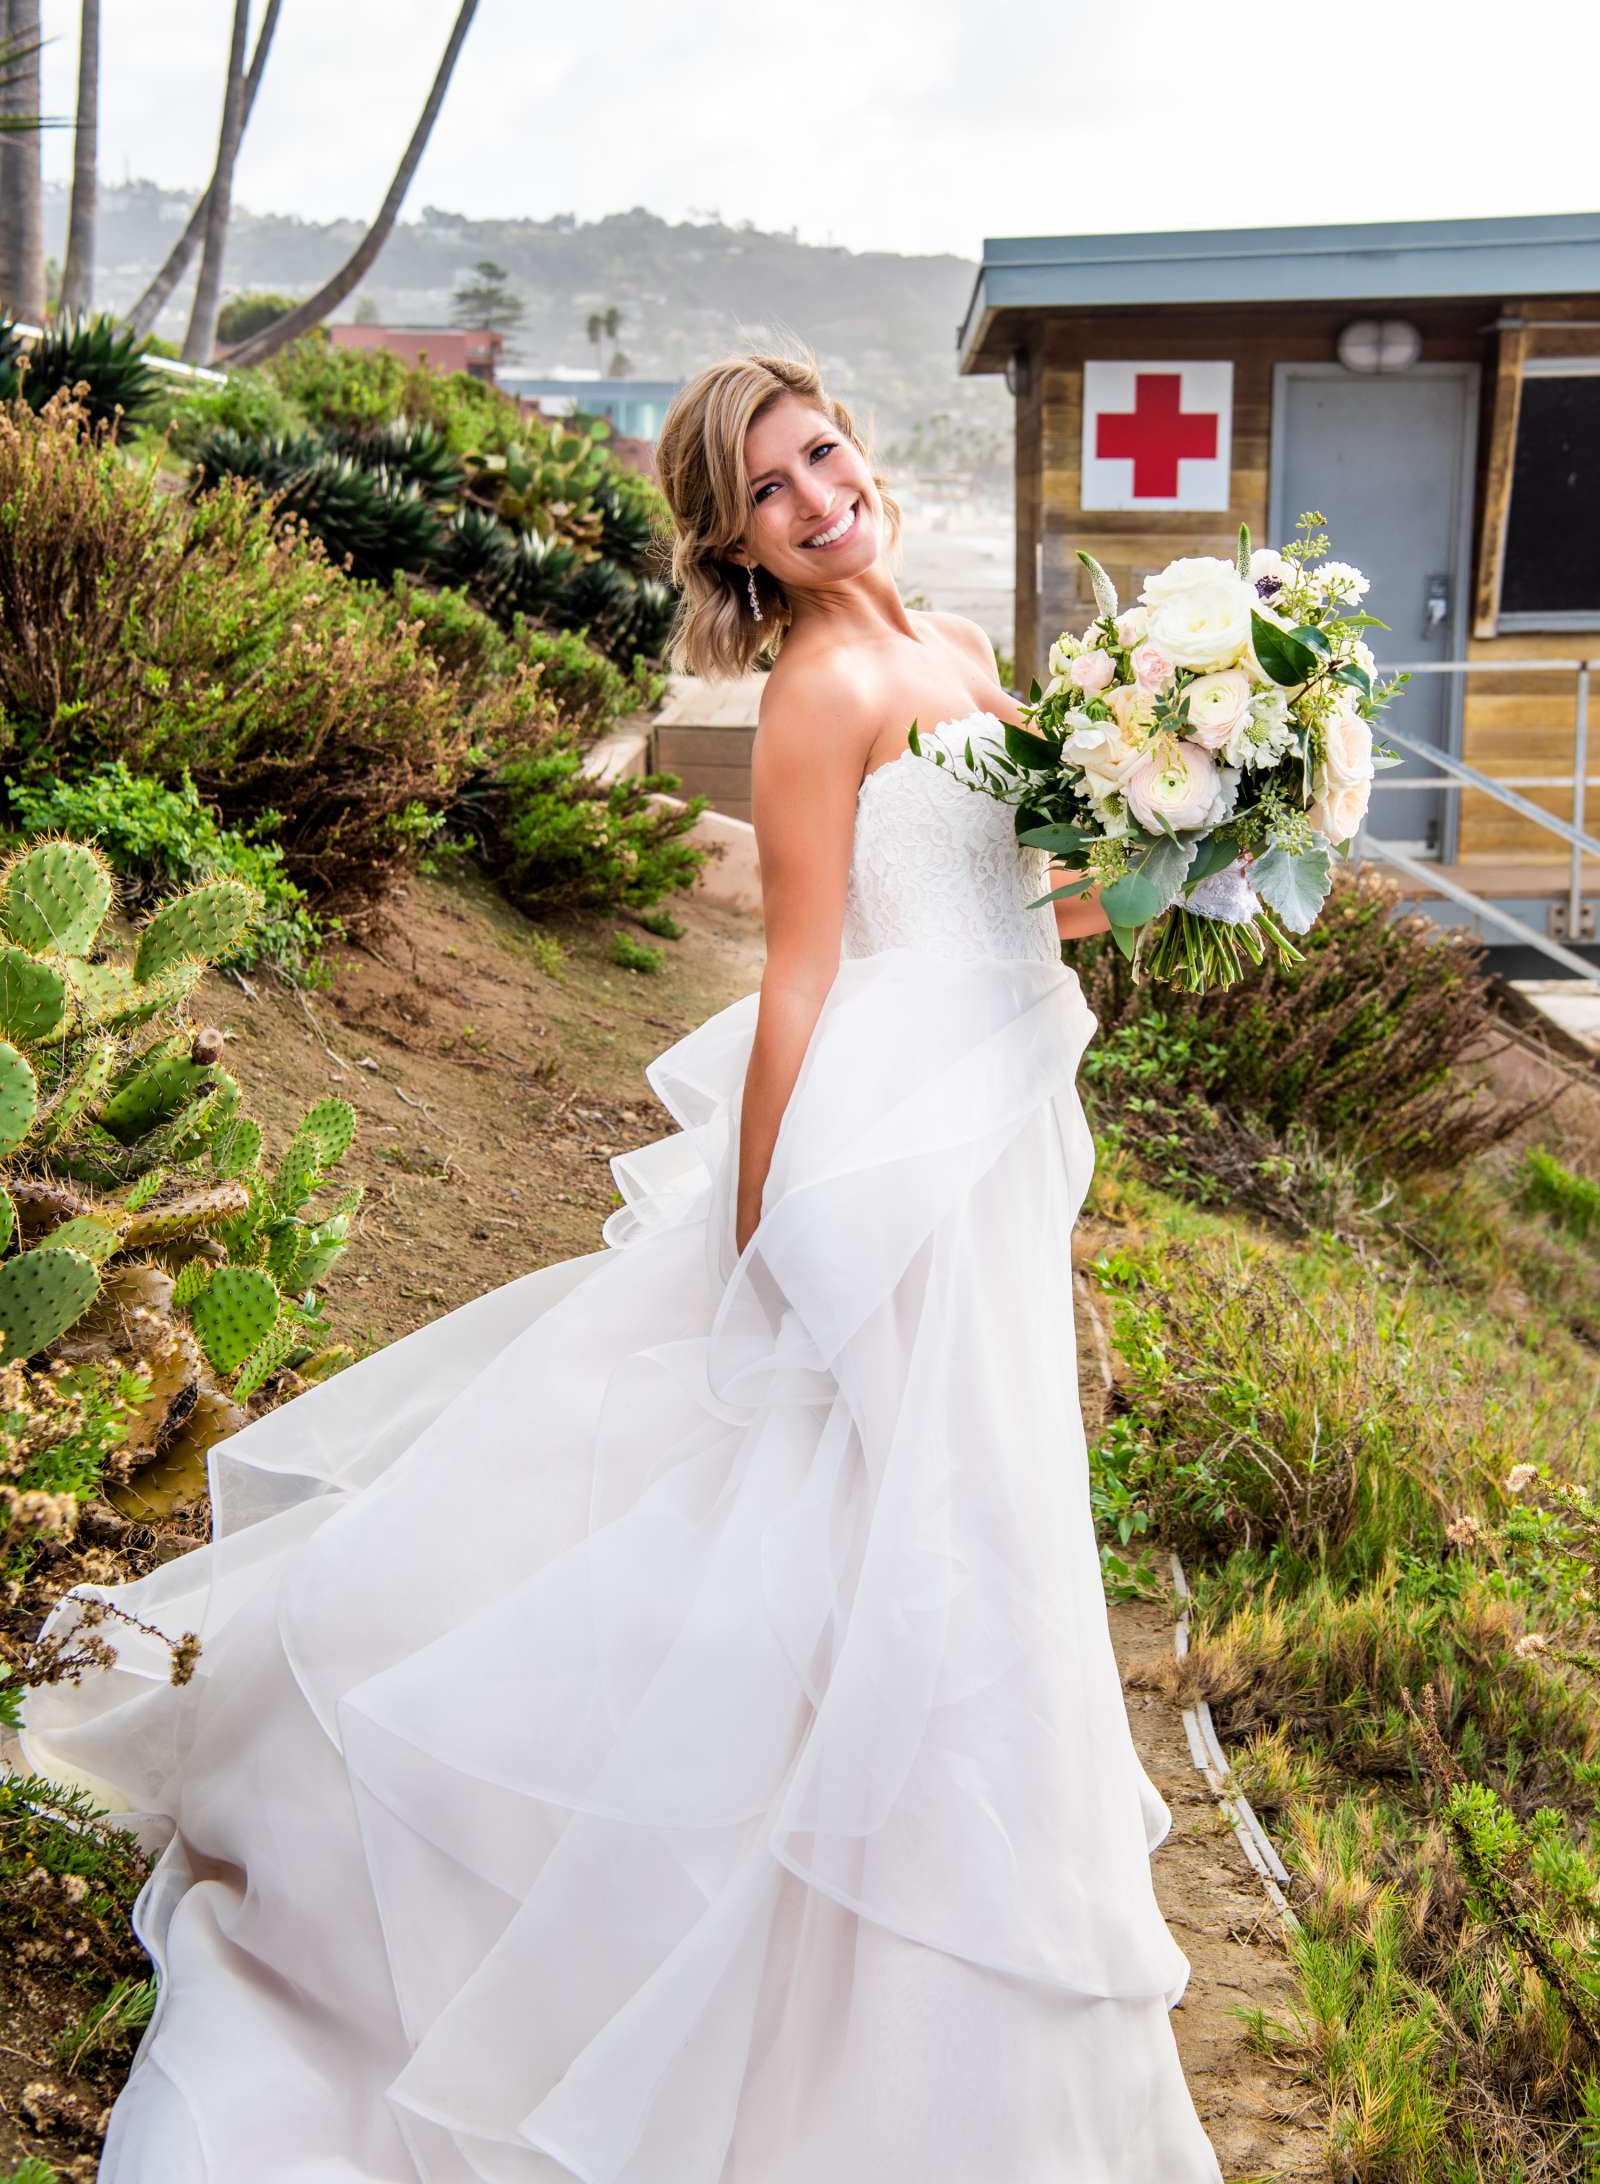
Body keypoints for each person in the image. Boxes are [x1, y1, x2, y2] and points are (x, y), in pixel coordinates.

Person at [18, 345, 1226, 2182]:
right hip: (885, 1145)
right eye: (771, 494)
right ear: (740, 543)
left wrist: (1202, 819)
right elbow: (805, 973)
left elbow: (1040, 891)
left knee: (980, 1504)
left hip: (996, 1127)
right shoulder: (819, 694)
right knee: (864, 1516)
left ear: (859, 447)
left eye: (822, 455)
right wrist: (767, 1230)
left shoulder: (967, 650)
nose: (819, 500)